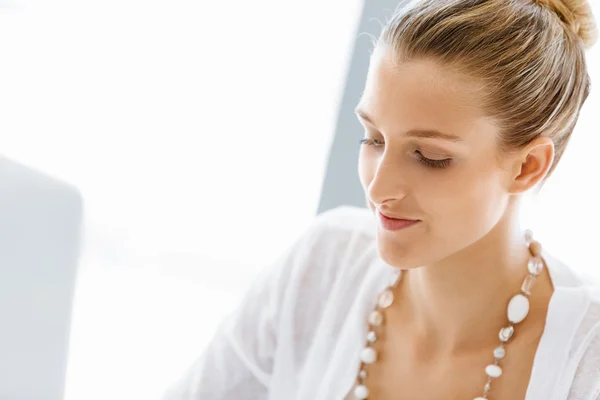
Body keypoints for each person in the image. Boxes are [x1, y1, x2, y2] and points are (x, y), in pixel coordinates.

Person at [162, 0, 600, 398]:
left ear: (528, 167)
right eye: (372, 138)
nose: (377, 189)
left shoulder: (585, 361)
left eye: (430, 157)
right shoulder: (323, 267)